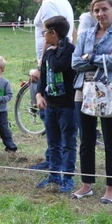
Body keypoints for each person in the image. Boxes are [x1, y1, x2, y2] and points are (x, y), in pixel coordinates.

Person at [70, 0, 112, 204]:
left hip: (109, 90)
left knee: (110, 140)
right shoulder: (86, 33)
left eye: (104, 9)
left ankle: (110, 188)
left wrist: (90, 57)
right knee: (85, 139)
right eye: (96, 10)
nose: (100, 13)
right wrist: (103, 58)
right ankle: (86, 185)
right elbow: (75, 62)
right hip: (83, 90)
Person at [24, 0, 75, 170]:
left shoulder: (49, 4)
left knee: (51, 116)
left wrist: (40, 67)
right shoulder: (61, 0)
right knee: (52, 116)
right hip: (56, 63)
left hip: (52, 67)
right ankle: (53, 158)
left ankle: (55, 161)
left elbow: (52, 37)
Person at [34, 16, 77, 193]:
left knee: (68, 142)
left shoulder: (69, 49)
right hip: (50, 104)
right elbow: (43, 74)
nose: (43, 35)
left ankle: (67, 177)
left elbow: (58, 66)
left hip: (67, 105)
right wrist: (38, 94)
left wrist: (49, 52)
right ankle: (54, 174)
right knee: (53, 142)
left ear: (53, 33)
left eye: (45, 32)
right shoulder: (49, 51)